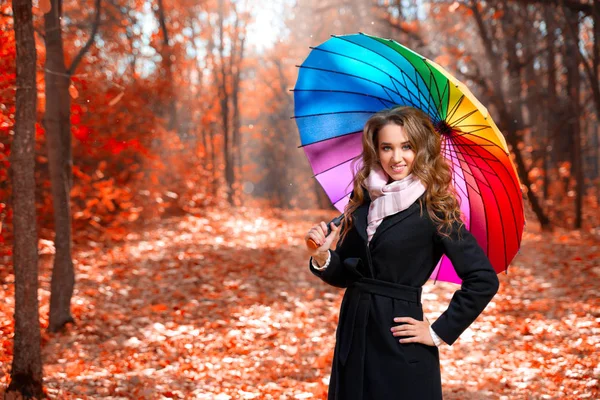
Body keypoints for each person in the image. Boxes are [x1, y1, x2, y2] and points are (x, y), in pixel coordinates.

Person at [304, 106, 500, 399]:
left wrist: (437, 332)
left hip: (399, 338)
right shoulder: (363, 203)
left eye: (406, 147)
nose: (397, 158)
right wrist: (323, 256)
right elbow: (348, 274)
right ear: (376, 151)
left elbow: (483, 279)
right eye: (387, 148)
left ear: (421, 149)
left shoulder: (435, 209)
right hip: (354, 334)